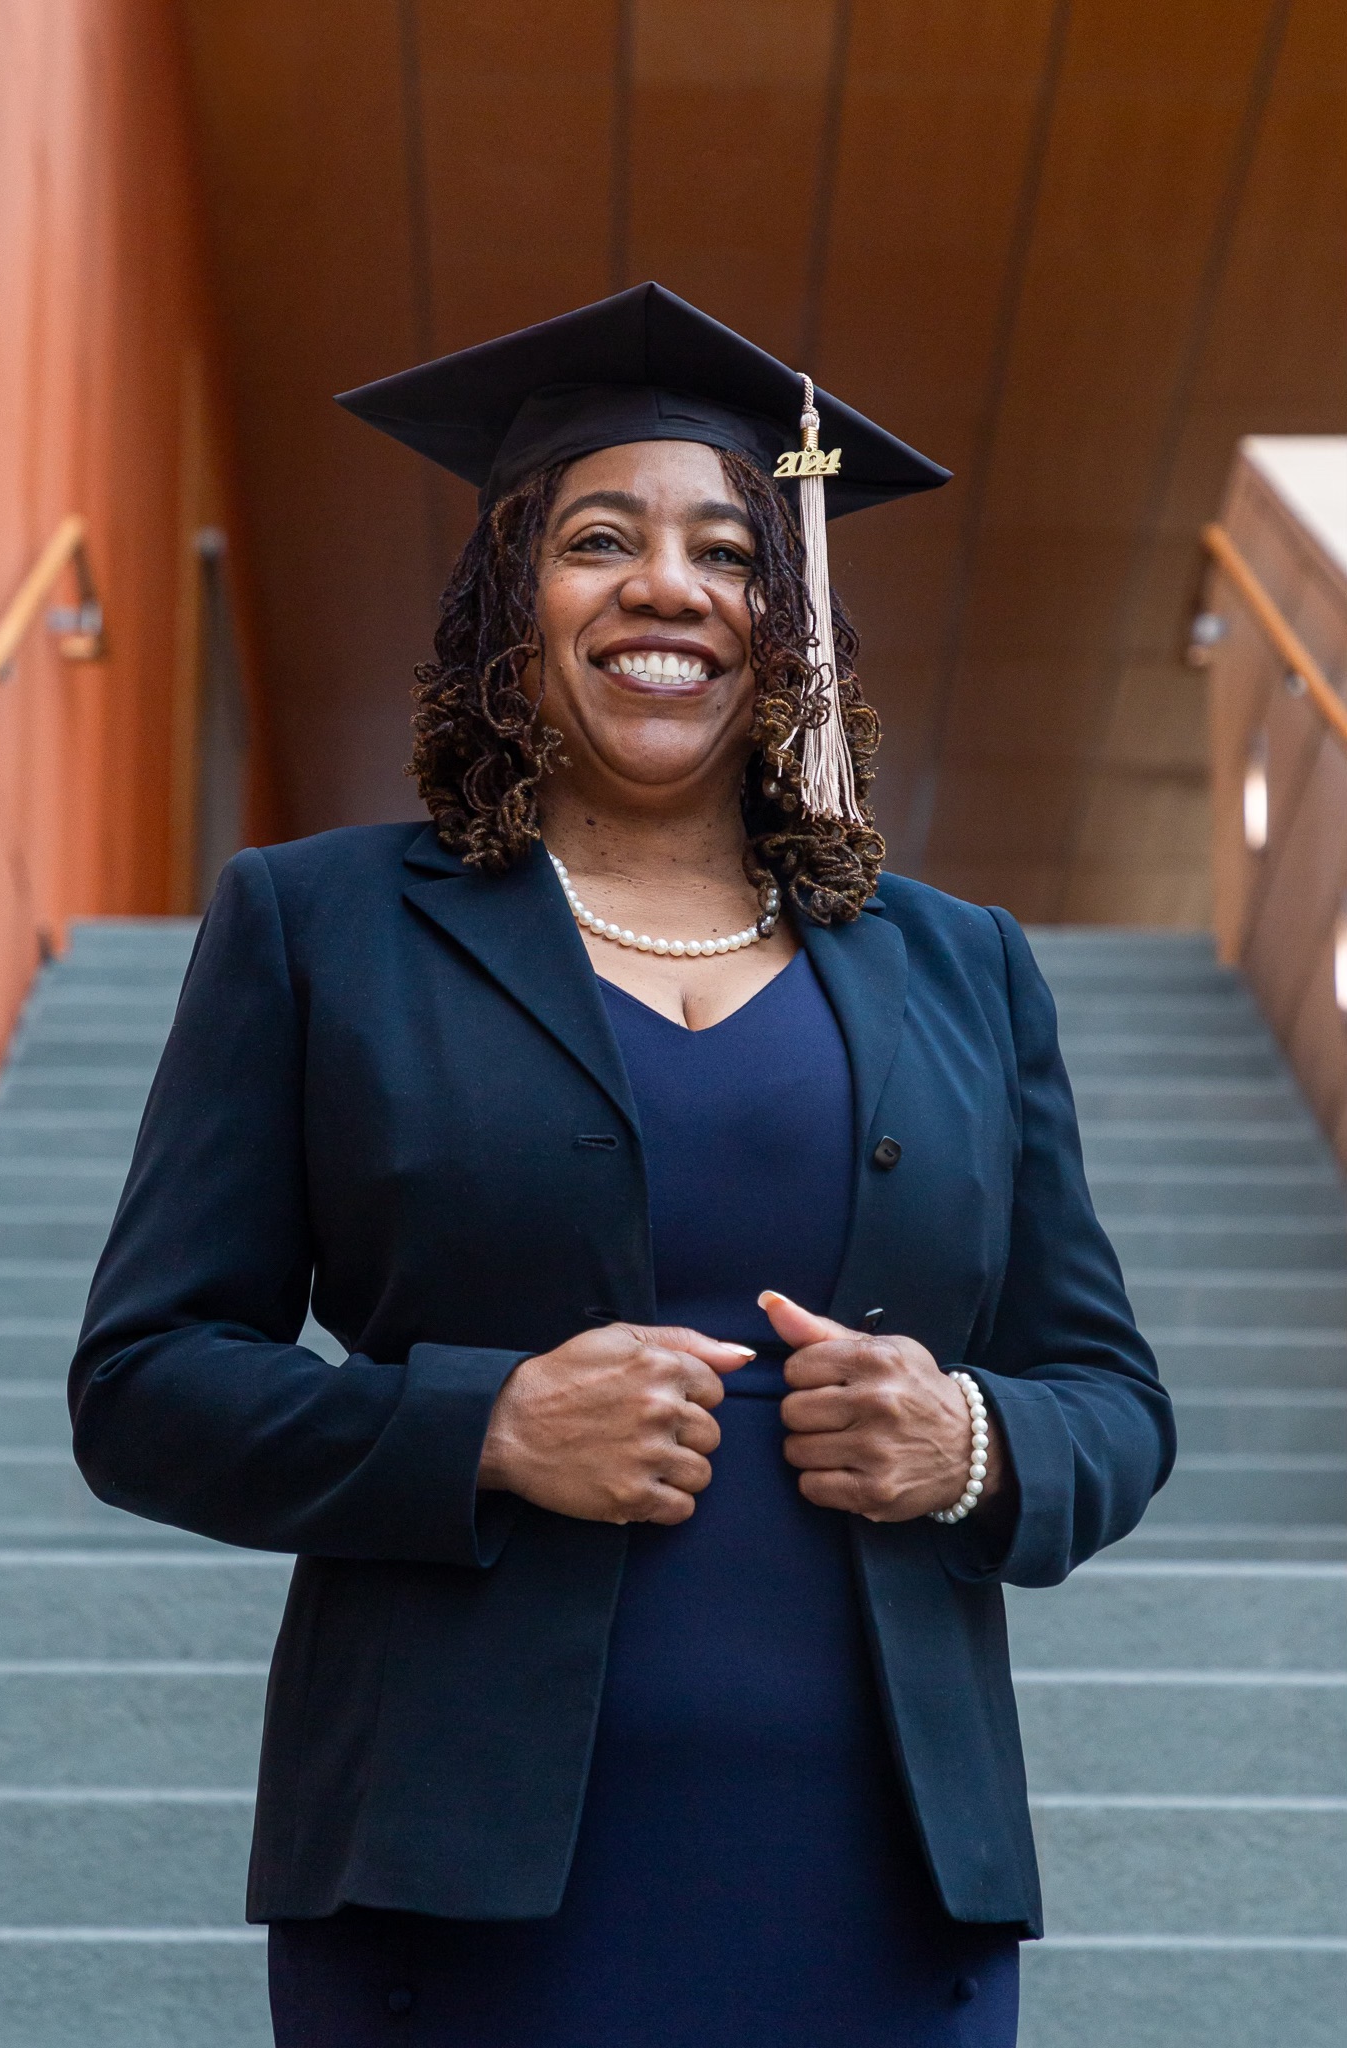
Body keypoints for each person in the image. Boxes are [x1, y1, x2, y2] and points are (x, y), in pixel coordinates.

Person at [69, 283, 1174, 2047]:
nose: (669, 587)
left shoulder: (958, 963)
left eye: (731, 553)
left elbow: (1110, 1396)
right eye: (599, 540)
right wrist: (482, 1427)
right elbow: (143, 1387)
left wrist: (970, 1442)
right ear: (510, 604)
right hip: (456, 1880)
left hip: (884, 1876)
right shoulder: (318, 928)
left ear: (786, 621)